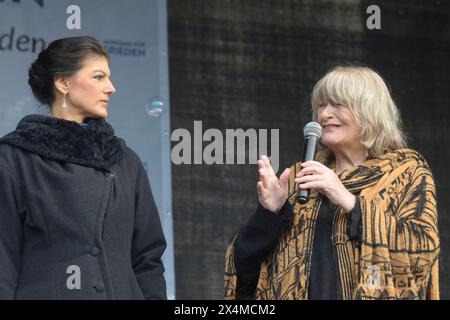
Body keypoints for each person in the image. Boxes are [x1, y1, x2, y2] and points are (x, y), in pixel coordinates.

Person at [224, 65, 440, 300]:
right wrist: (268, 213)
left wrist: (349, 201)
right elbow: (242, 267)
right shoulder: (301, 180)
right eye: (321, 105)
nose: (324, 114)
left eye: (337, 104)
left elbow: (423, 249)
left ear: (369, 110)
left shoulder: (406, 174)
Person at [0, 36, 167, 299]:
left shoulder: (126, 161)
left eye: (108, 77)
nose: (111, 88)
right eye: (99, 77)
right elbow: (3, 259)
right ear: (63, 82)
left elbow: (148, 259)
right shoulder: (14, 159)